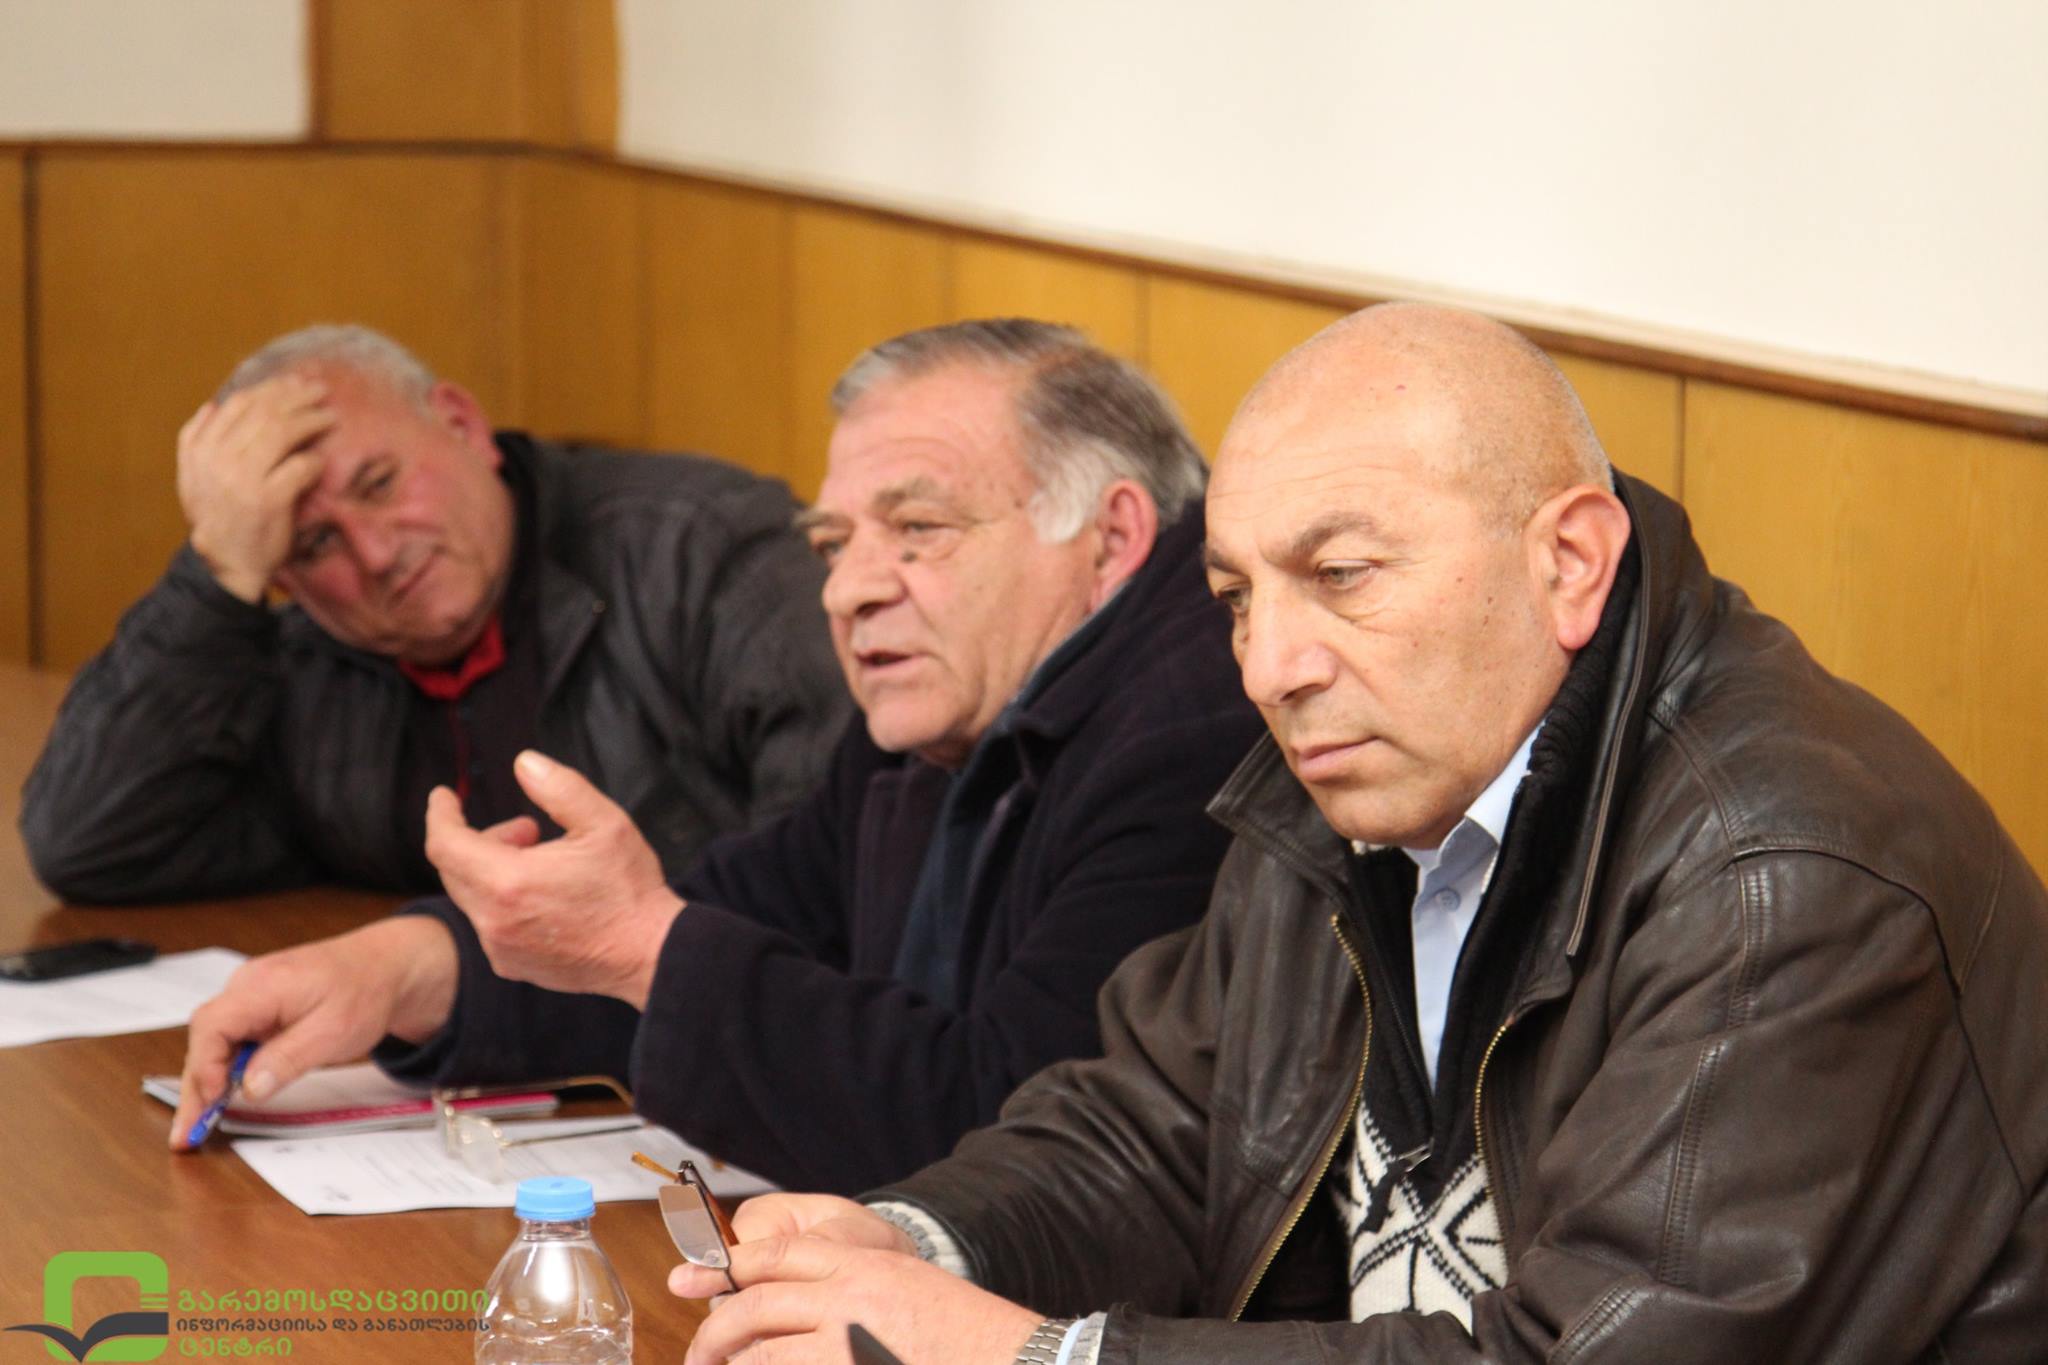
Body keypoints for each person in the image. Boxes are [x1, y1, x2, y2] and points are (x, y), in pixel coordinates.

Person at [667, 303, 2048, 1364]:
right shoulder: (1356, 775)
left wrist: (1035, 1355)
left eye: (1339, 574)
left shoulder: (1784, 875)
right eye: (1235, 599)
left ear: (1568, 562)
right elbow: (1153, 1133)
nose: (1272, 667)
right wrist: (915, 1239)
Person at [170, 319, 1266, 1195]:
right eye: (836, 543)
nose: (849, 590)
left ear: (1111, 537)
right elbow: (754, 909)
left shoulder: (1195, 731)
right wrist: (413, 969)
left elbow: (1011, 1140)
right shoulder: (951, 696)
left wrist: (636, 943)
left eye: (918, 529)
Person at [21, 324, 849, 901]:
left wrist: (446, 965)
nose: (376, 552)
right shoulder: (308, 661)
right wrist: (216, 574)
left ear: (461, 424)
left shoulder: (704, 551)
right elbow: (87, 843)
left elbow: (828, 875)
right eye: (313, 544)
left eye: (380, 483)